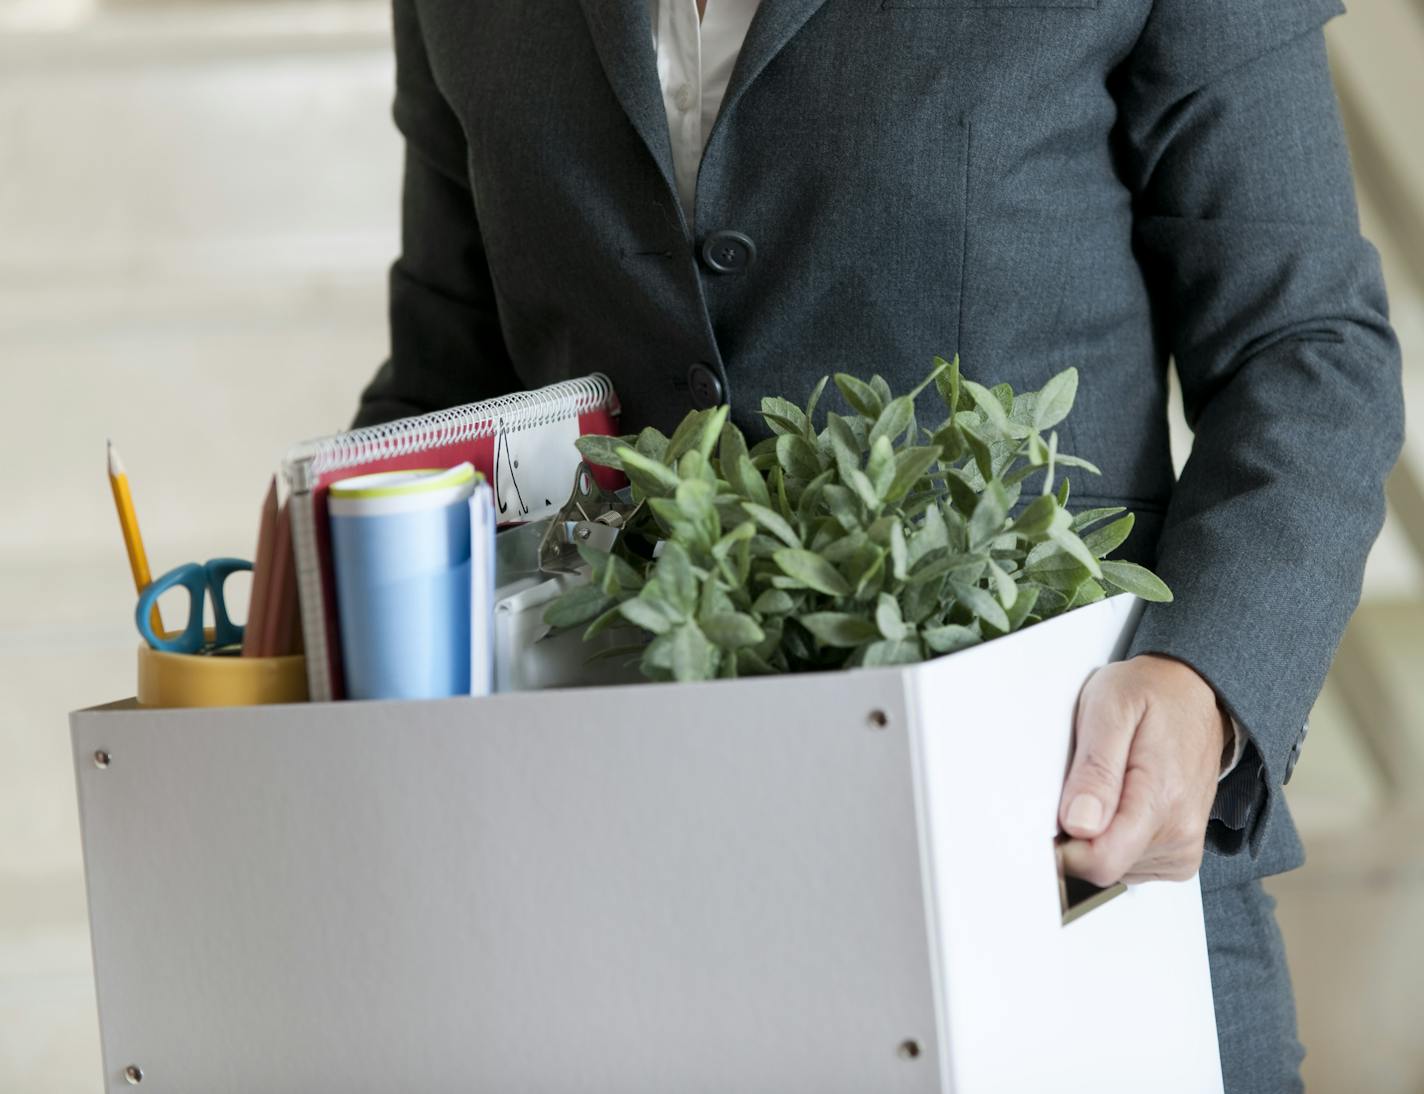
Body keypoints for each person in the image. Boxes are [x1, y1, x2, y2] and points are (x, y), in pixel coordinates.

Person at [354, 0, 1405, 1088]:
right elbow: (444, 385)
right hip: (622, 904)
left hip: (1064, 871)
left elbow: (1303, 348)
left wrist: (1202, 676)